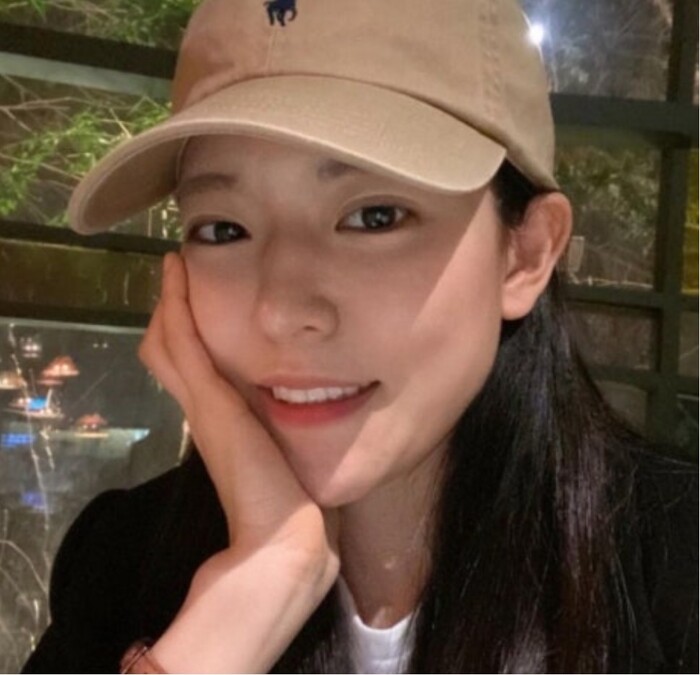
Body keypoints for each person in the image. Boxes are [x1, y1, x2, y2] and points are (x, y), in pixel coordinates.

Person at [22, 0, 698, 673]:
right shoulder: (122, 562)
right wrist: (246, 602)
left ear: (525, 254)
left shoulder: (677, 569)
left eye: (375, 216)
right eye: (224, 228)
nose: (281, 311)